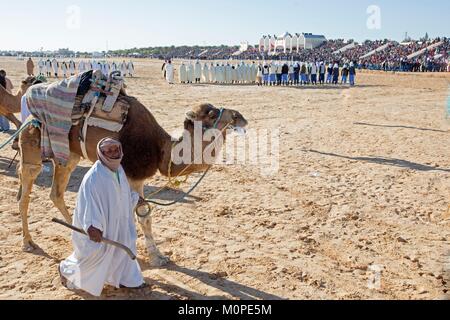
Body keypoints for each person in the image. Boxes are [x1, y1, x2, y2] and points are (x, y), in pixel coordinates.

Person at [59, 138, 147, 297]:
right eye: (109, 150)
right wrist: (93, 227)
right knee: (95, 256)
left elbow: (122, 194)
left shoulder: (119, 170)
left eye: (116, 149)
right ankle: (66, 270)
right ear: (101, 154)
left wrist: (135, 199)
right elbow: (89, 204)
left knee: (126, 246)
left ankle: (129, 280)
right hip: (101, 226)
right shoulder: (94, 177)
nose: (114, 153)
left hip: (120, 224)